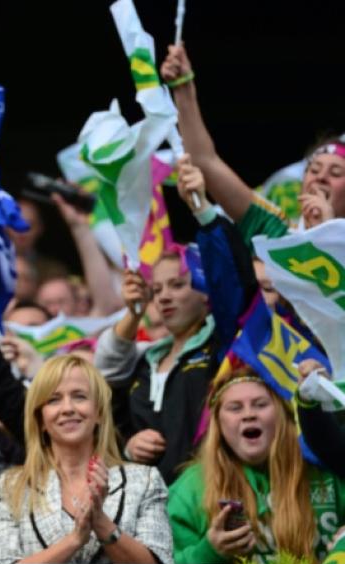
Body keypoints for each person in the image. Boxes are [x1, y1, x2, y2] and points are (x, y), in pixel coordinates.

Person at [94, 155, 258, 485]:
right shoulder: (147, 359)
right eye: (157, 289)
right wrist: (129, 445)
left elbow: (233, 279)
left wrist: (202, 210)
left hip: (210, 494)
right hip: (149, 510)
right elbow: (106, 371)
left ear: (205, 293)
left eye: (178, 285)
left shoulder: (223, 346)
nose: (164, 296)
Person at [0, 354, 172, 564]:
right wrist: (75, 540)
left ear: (100, 412)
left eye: (79, 396)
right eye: (54, 400)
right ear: (40, 420)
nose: (67, 408)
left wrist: (101, 523)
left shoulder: (144, 480)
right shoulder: (12, 487)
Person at [160, 43, 345, 242]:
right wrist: (183, 88)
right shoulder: (276, 230)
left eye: (336, 173)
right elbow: (204, 161)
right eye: (314, 170)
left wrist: (328, 231)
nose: (321, 177)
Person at [167, 366, 345, 564]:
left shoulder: (325, 470)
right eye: (235, 408)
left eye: (260, 405)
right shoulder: (190, 489)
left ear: (283, 416)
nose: (249, 414)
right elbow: (164, 562)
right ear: (218, 423)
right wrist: (209, 551)